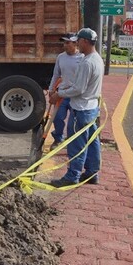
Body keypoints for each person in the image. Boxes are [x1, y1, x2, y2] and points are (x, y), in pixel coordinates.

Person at [48, 27, 104, 187]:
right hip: (92, 107)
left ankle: (72, 176)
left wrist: (59, 94)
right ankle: (92, 173)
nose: (77, 43)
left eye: (78, 40)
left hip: (81, 108)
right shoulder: (96, 59)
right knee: (92, 141)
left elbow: (78, 89)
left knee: (76, 144)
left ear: (85, 41)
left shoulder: (87, 62)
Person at [49, 34, 84, 149]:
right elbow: (56, 74)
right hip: (62, 93)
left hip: (76, 94)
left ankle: (72, 141)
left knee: (74, 122)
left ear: (75, 44)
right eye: (64, 43)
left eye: (68, 43)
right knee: (57, 117)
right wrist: (51, 89)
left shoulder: (83, 57)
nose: (65, 45)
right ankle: (58, 138)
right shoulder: (61, 57)